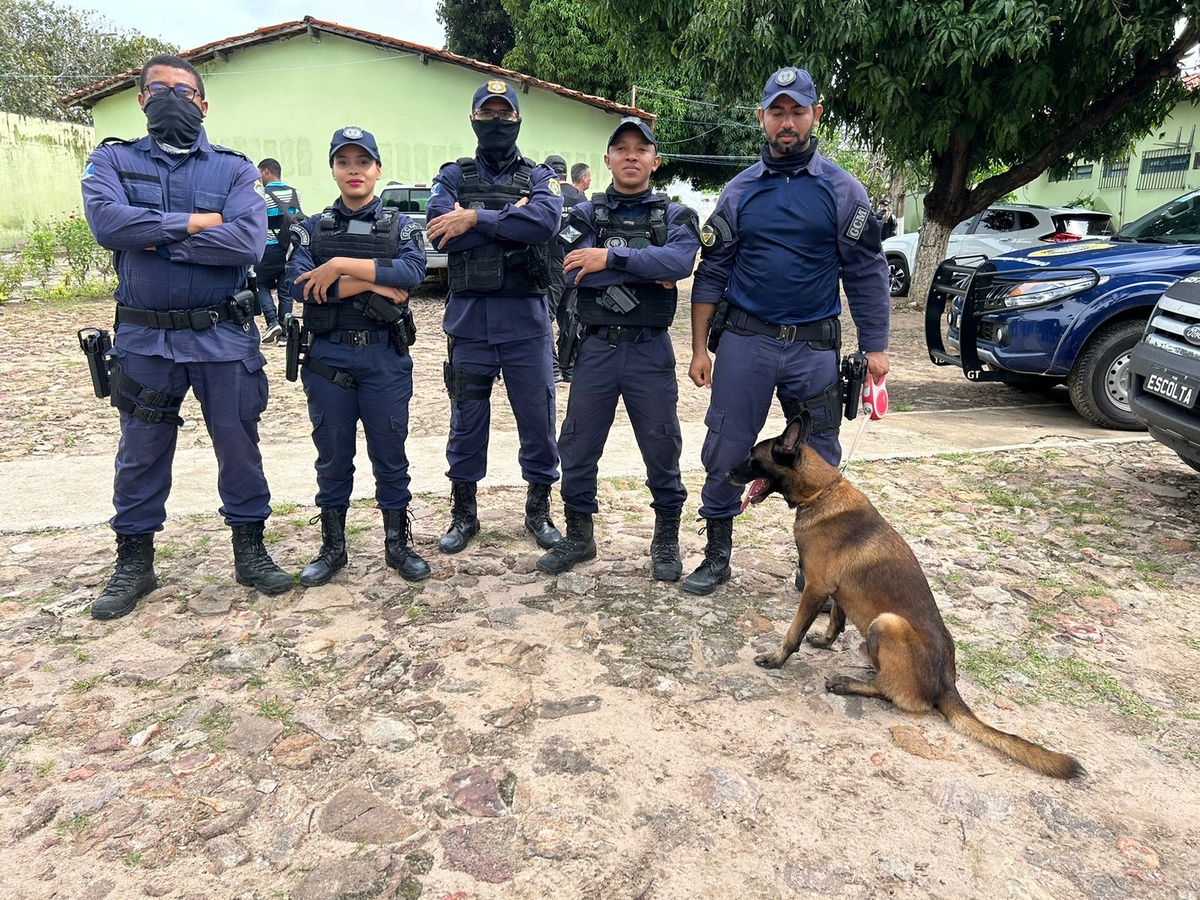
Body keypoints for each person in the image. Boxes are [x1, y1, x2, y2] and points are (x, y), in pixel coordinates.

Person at [81, 53, 292, 620]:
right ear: (141, 99)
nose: (172, 97)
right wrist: (198, 224)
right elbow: (107, 225)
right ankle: (135, 561)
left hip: (222, 336)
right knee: (141, 452)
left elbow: (247, 243)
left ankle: (250, 549)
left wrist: (152, 236)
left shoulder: (233, 169)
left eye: (184, 90)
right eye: (159, 88)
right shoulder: (113, 159)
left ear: (203, 104)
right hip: (146, 342)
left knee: (238, 445)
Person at [683, 66, 891, 596]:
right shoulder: (738, 192)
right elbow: (712, 271)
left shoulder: (843, 190)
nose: (787, 122)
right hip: (745, 345)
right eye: (777, 112)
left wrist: (877, 347)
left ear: (815, 115)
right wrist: (698, 348)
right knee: (727, 445)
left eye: (798, 111)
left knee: (819, 458)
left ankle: (816, 566)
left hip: (814, 349)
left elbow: (866, 271)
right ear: (762, 119)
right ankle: (717, 555)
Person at [536, 116, 699, 579]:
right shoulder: (586, 214)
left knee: (662, 446)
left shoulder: (675, 215)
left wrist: (608, 258)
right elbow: (568, 268)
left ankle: (666, 539)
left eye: (641, 149)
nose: (631, 156)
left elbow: (681, 261)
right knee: (579, 445)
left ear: (655, 161)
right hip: (596, 350)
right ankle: (579, 536)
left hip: (651, 350)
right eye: (621, 148)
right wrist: (649, 270)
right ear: (607, 159)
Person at [284, 127, 431, 586]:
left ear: (377, 170)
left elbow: (411, 273)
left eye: (362, 162)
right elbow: (299, 287)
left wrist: (340, 267)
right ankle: (333, 547)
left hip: (384, 358)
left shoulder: (402, 225)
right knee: (332, 457)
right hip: (329, 360)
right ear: (332, 170)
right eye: (344, 162)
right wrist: (370, 281)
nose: (354, 170)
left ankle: (396, 544)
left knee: (390, 454)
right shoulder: (310, 228)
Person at [425, 80, 564, 556]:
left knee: (538, 422)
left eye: (506, 115)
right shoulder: (452, 176)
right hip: (469, 324)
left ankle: (539, 511)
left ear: (518, 120)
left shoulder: (540, 176)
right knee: (466, 422)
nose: (497, 122)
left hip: (527, 322)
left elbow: (544, 224)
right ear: (473, 119)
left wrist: (475, 219)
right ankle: (464, 514)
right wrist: (510, 221)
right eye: (488, 114)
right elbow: (442, 234)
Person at [543, 154, 585, 382]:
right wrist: (567, 242)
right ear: (566, 174)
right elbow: (583, 227)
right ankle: (569, 367)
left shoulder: (545, 193)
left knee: (545, 315)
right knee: (569, 315)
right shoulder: (579, 197)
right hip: (575, 261)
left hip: (551, 261)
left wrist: (557, 242)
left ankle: (553, 368)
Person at [256, 158, 303, 344]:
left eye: (260, 173)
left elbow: (258, 221)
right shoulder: (295, 193)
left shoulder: (261, 195)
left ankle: (272, 322)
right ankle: (285, 335)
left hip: (268, 248)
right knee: (285, 290)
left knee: (261, 284)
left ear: (266, 171)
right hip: (290, 247)